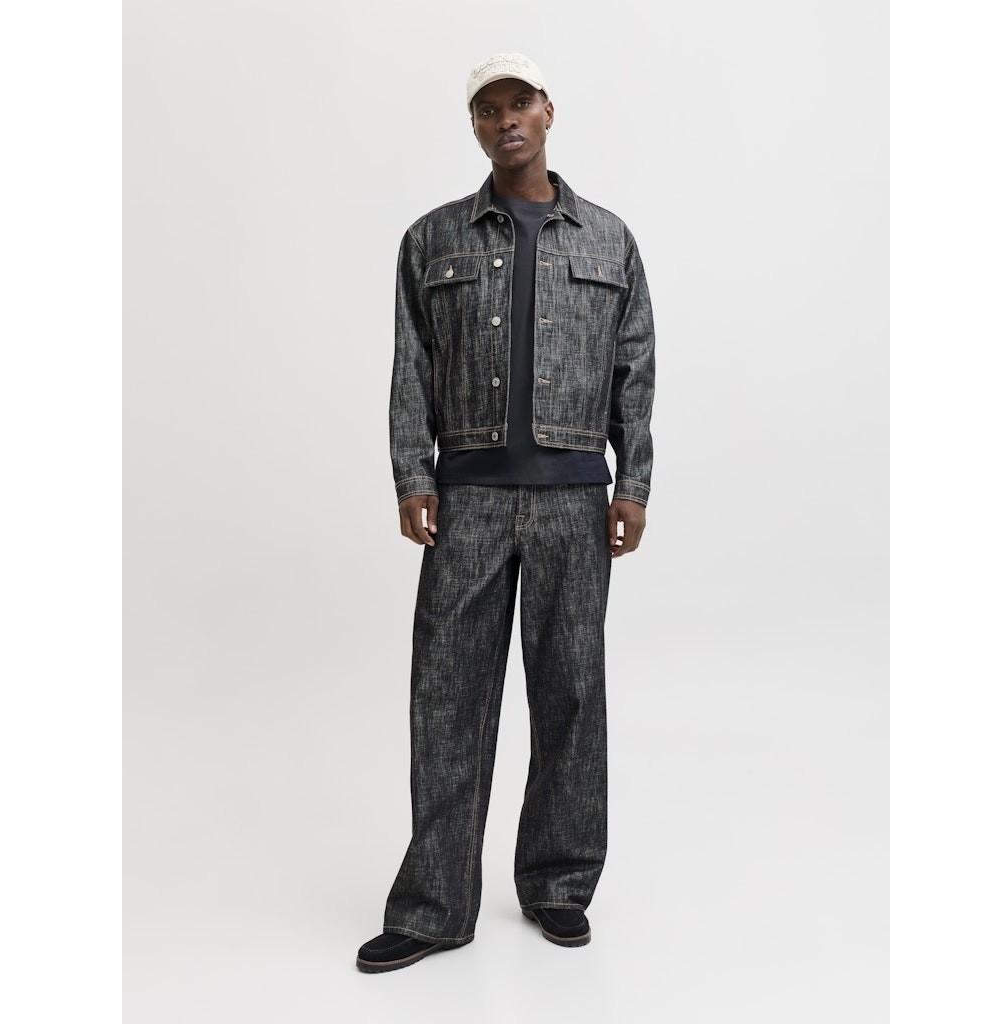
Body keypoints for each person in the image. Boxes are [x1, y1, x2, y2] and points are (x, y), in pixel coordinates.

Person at [356, 52, 656, 973]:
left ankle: (559, 885)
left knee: (571, 693)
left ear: (548, 111)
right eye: (487, 110)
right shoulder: (432, 238)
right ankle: (436, 905)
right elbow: (411, 367)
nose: (505, 120)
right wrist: (413, 475)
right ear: (476, 127)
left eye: (519, 102)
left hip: (574, 501)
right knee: (448, 697)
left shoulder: (609, 239)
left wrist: (633, 484)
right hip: (468, 501)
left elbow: (635, 369)